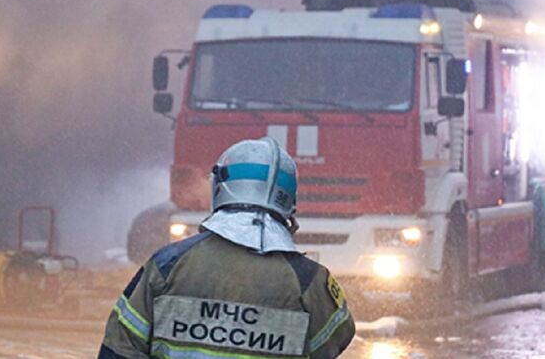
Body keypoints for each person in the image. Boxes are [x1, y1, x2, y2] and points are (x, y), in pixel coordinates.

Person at [98, 137, 355, 358]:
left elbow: (120, 346)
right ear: (288, 198)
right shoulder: (310, 280)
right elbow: (334, 341)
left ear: (220, 186)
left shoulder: (167, 265)